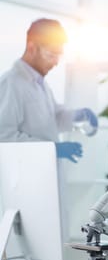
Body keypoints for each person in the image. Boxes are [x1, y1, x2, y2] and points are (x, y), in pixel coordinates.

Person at [0, 18, 98, 162]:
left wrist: (76, 116)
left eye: (59, 56)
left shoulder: (40, 84)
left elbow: (52, 119)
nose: (56, 62)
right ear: (32, 48)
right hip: (24, 176)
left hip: (43, 173)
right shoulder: (11, 83)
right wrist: (52, 149)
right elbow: (4, 136)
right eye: (51, 55)